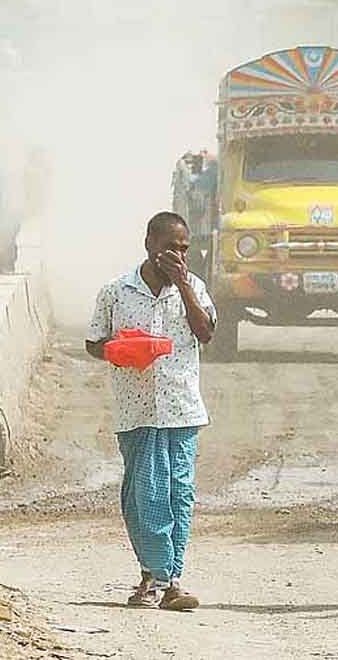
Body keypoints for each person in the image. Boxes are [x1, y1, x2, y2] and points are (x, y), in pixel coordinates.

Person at [86, 212, 216, 611]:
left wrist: (183, 285)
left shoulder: (193, 287)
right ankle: (154, 573)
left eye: (183, 249)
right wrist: (121, 347)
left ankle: (168, 579)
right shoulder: (116, 291)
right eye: (169, 248)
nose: (177, 256)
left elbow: (206, 332)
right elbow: (93, 343)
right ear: (149, 244)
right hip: (136, 410)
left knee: (179, 495)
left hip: (182, 409)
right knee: (144, 496)